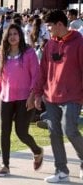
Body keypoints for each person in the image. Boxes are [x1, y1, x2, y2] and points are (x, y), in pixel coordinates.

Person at [34, 10, 83, 183]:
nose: (48, 30)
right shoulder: (50, 45)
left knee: (69, 129)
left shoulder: (79, 42)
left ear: (60, 24)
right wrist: (38, 94)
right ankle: (61, 170)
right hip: (51, 96)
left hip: (73, 95)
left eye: (50, 26)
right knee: (54, 133)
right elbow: (42, 72)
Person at [0, 23, 43, 177]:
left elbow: (36, 75)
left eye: (15, 34)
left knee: (21, 132)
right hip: (6, 98)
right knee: (4, 132)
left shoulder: (29, 53)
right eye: (10, 34)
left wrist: (32, 96)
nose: (12, 37)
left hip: (24, 98)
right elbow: (0, 76)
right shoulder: (3, 52)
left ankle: (37, 151)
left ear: (20, 35)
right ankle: (5, 165)